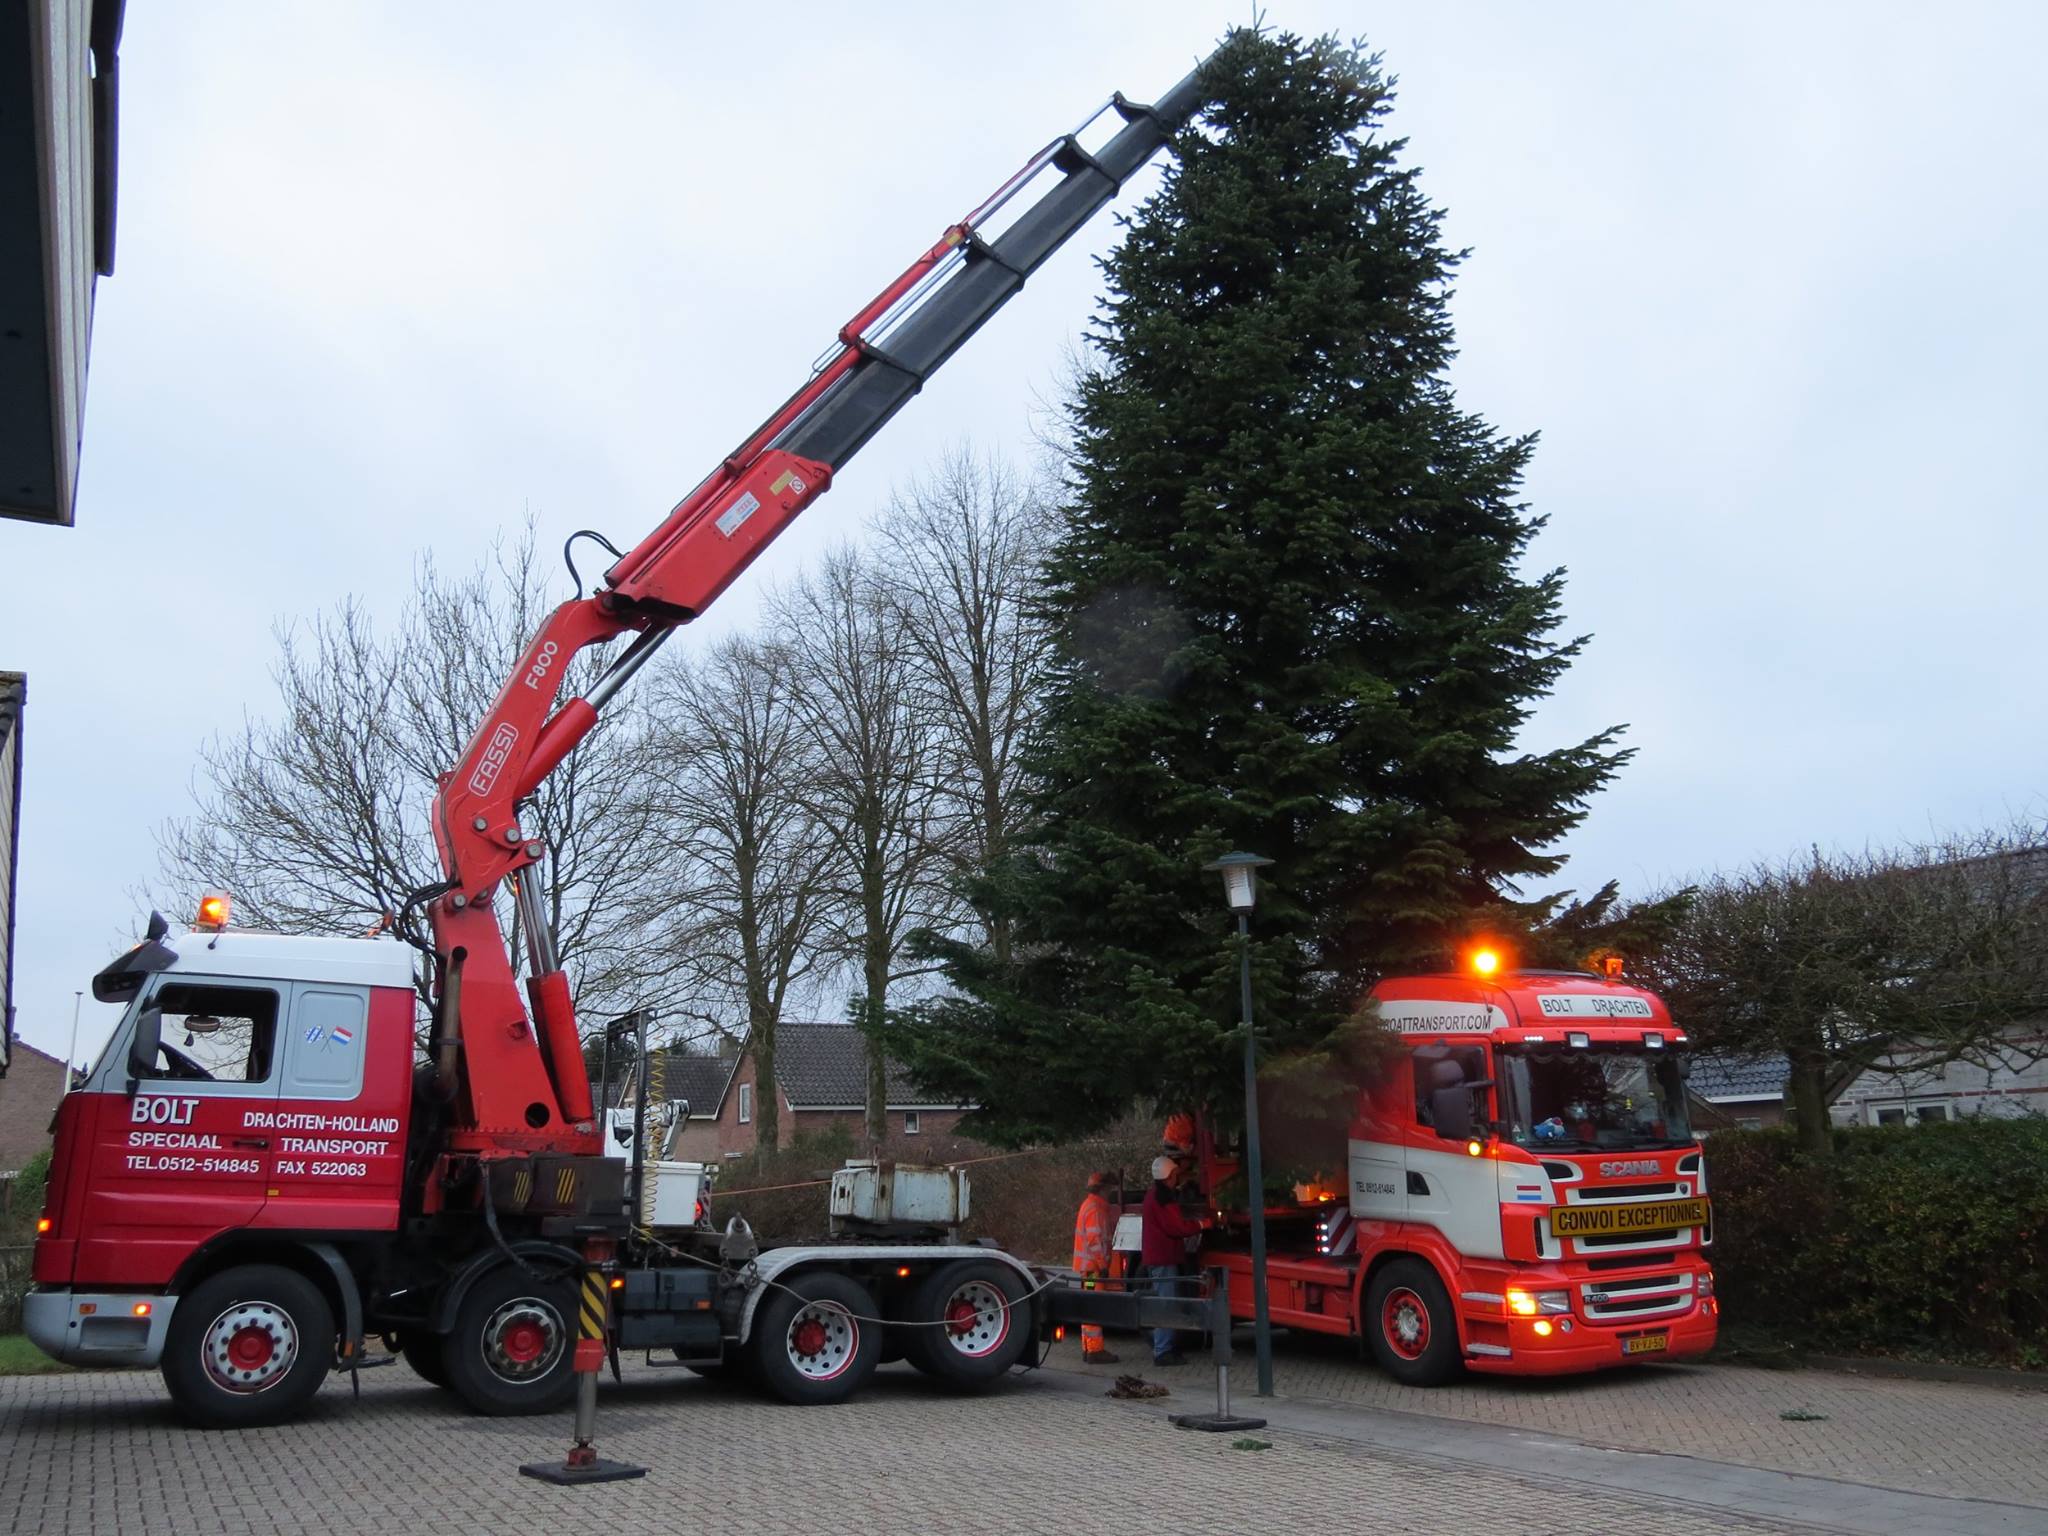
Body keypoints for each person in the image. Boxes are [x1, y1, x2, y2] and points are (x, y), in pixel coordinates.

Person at [1140, 1154, 1207, 1367]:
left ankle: (1165, 1348)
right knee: (1167, 1304)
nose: (1177, 1178)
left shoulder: (1155, 1196)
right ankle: (1163, 1351)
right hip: (1164, 1258)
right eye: (1175, 1174)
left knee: (1166, 1302)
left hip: (1160, 1257)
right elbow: (1176, 1227)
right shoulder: (1163, 1199)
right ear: (1169, 1176)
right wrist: (1201, 1225)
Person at [1071, 1170, 1119, 1364]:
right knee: (1093, 1307)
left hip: (1089, 1269)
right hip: (1093, 1270)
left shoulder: (1090, 1205)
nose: (1111, 1192)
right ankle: (1095, 1350)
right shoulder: (1096, 1209)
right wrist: (1102, 1263)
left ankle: (1088, 1348)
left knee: (1089, 1305)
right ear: (1103, 1188)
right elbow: (1095, 1239)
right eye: (1109, 1188)